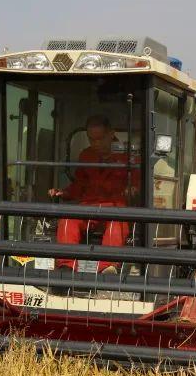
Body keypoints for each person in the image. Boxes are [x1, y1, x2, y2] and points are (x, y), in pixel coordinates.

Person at [49, 115, 137, 274]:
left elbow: (138, 185)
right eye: (91, 139)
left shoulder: (129, 157)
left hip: (115, 208)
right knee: (68, 218)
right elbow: (79, 184)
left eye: (100, 139)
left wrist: (133, 190)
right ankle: (66, 267)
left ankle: (108, 267)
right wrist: (64, 192)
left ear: (111, 134)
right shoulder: (86, 155)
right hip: (88, 208)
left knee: (117, 222)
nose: (95, 143)